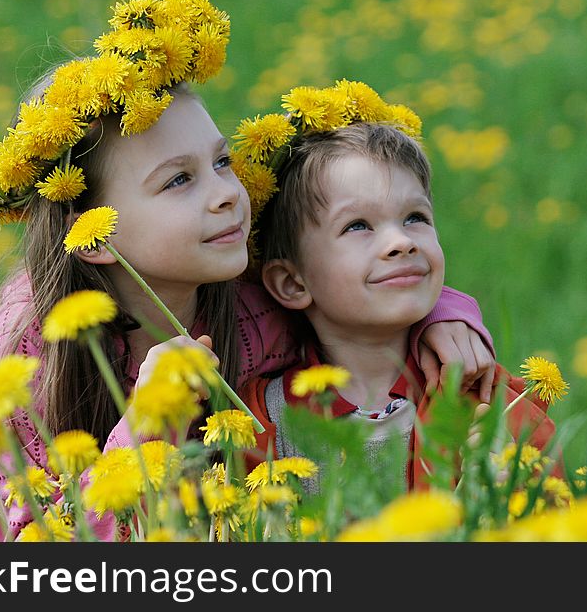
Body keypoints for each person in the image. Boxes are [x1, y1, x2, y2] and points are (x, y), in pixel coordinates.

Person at [0, 0, 495, 541]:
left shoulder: (247, 301)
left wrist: (443, 315)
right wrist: (151, 421)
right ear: (91, 235)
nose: (226, 194)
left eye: (221, 162)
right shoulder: (32, 349)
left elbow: (351, 278)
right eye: (179, 180)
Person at [234, 81, 558, 491]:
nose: (401, 242)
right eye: (358, 226)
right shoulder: (262, 421)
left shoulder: (487, 397)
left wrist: (513, 493)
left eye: (415, 218)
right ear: (292, 283)